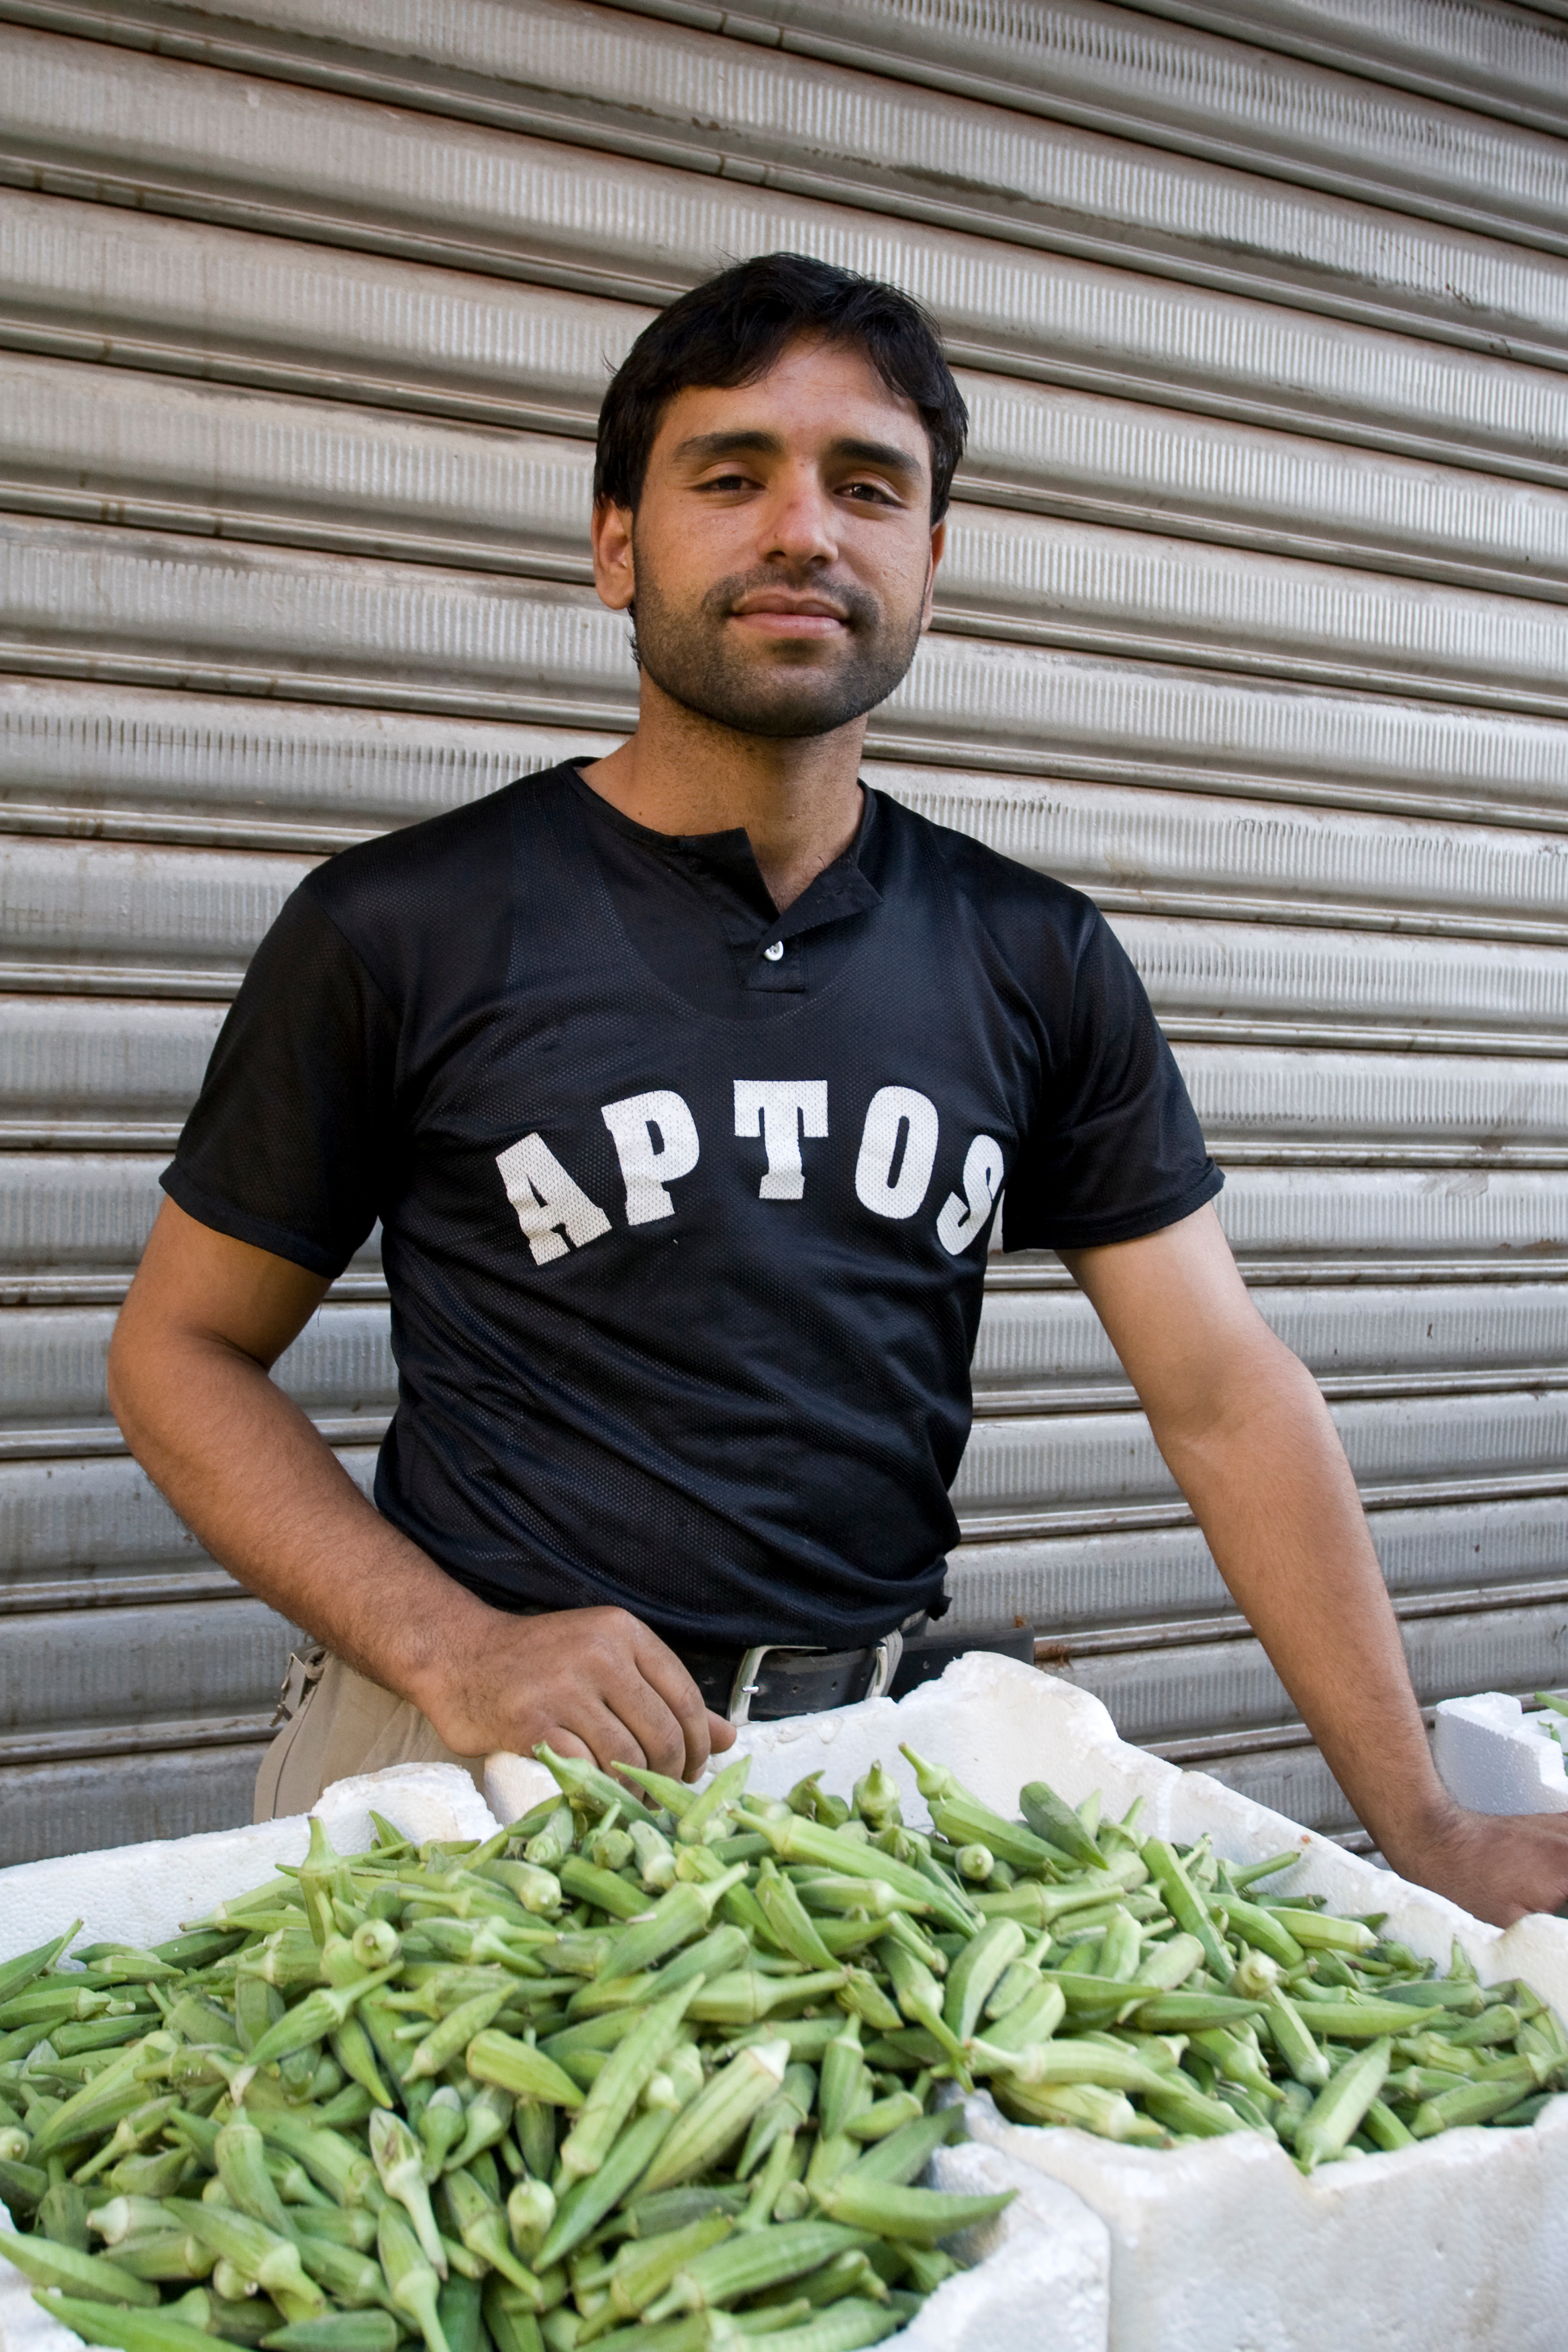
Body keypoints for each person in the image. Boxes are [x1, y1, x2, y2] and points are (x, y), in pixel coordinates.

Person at [109, 252, 1568, 1926]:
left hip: (860, 1774)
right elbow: (178, 1351)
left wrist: (1427, 1820)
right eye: (729, 476)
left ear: (928, 564)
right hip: (461, 1757)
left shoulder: (1034, 954)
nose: (802, 528)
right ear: (614, 548)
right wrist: (458, 1644)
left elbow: (1224, 1391)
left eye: (865, 486)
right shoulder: (403, 925)